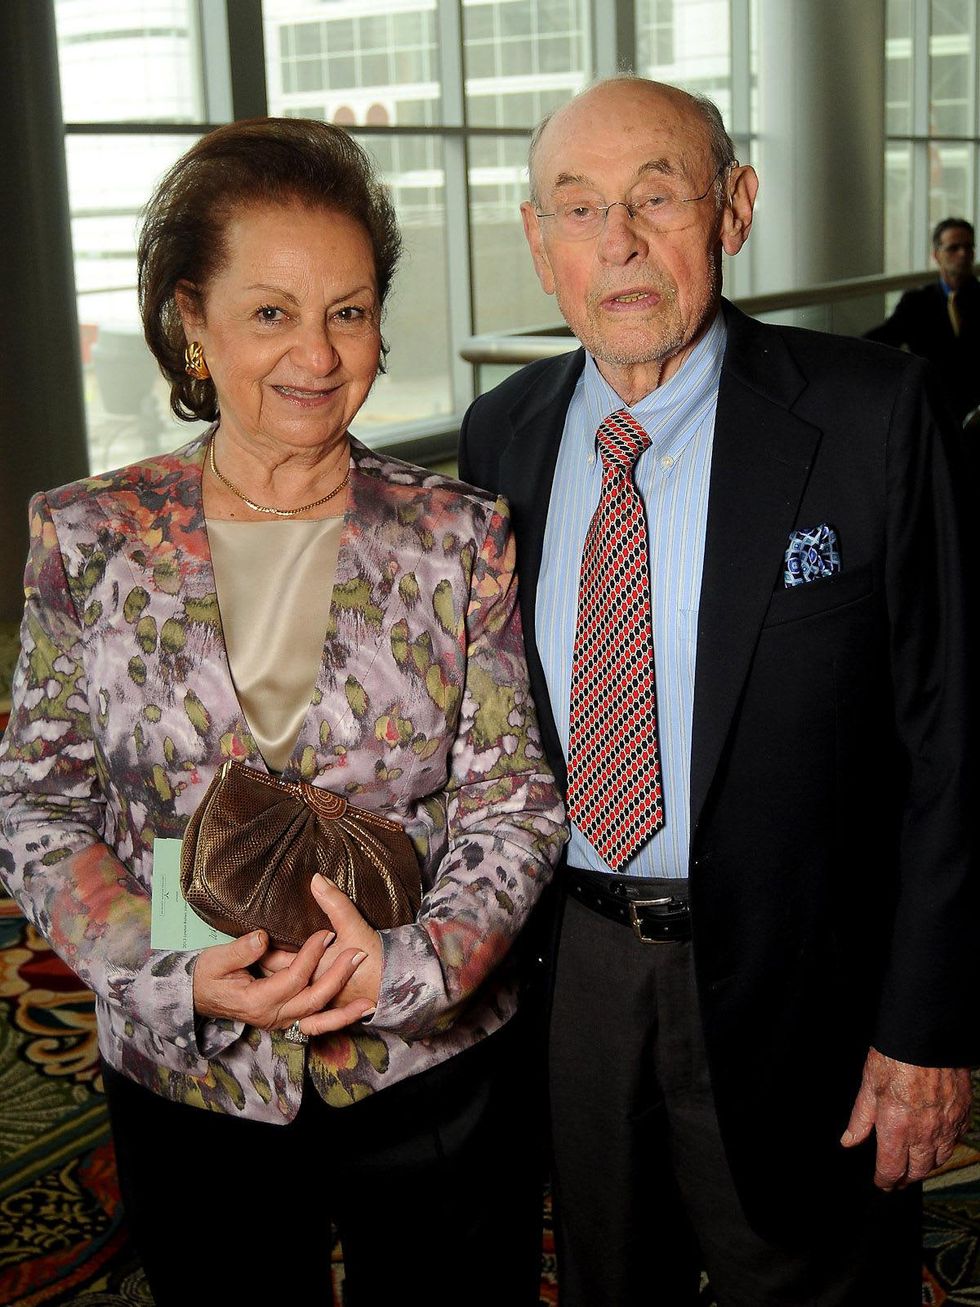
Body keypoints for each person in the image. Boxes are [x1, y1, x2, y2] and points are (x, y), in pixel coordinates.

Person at [0, 118, 566, 1307]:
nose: (316, 353)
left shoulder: (458, 531)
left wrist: (410, 968)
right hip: (189, 1071)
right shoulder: (90, 533)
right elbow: (41, 803)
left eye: (347, 311)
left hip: (428, 1065)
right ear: (189, 324)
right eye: (269, 312)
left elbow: (511, 804)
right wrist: (167, 969)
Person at [458, 76, 977, 1306]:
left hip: (809, 979)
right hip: (572, 969)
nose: (619, 242)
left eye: (656, 196)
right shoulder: (500, 439)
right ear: (538, 246)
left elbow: (953, 739)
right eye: (577, 210)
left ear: (733, 208)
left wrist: (928, 1026)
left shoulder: (871, 415)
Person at [865, 217, 979, 422]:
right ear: (936, 255)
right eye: (954, 248)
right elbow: (886, 337)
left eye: (968, 247)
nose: (963, 254)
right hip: (931, 406)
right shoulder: (916, 303)